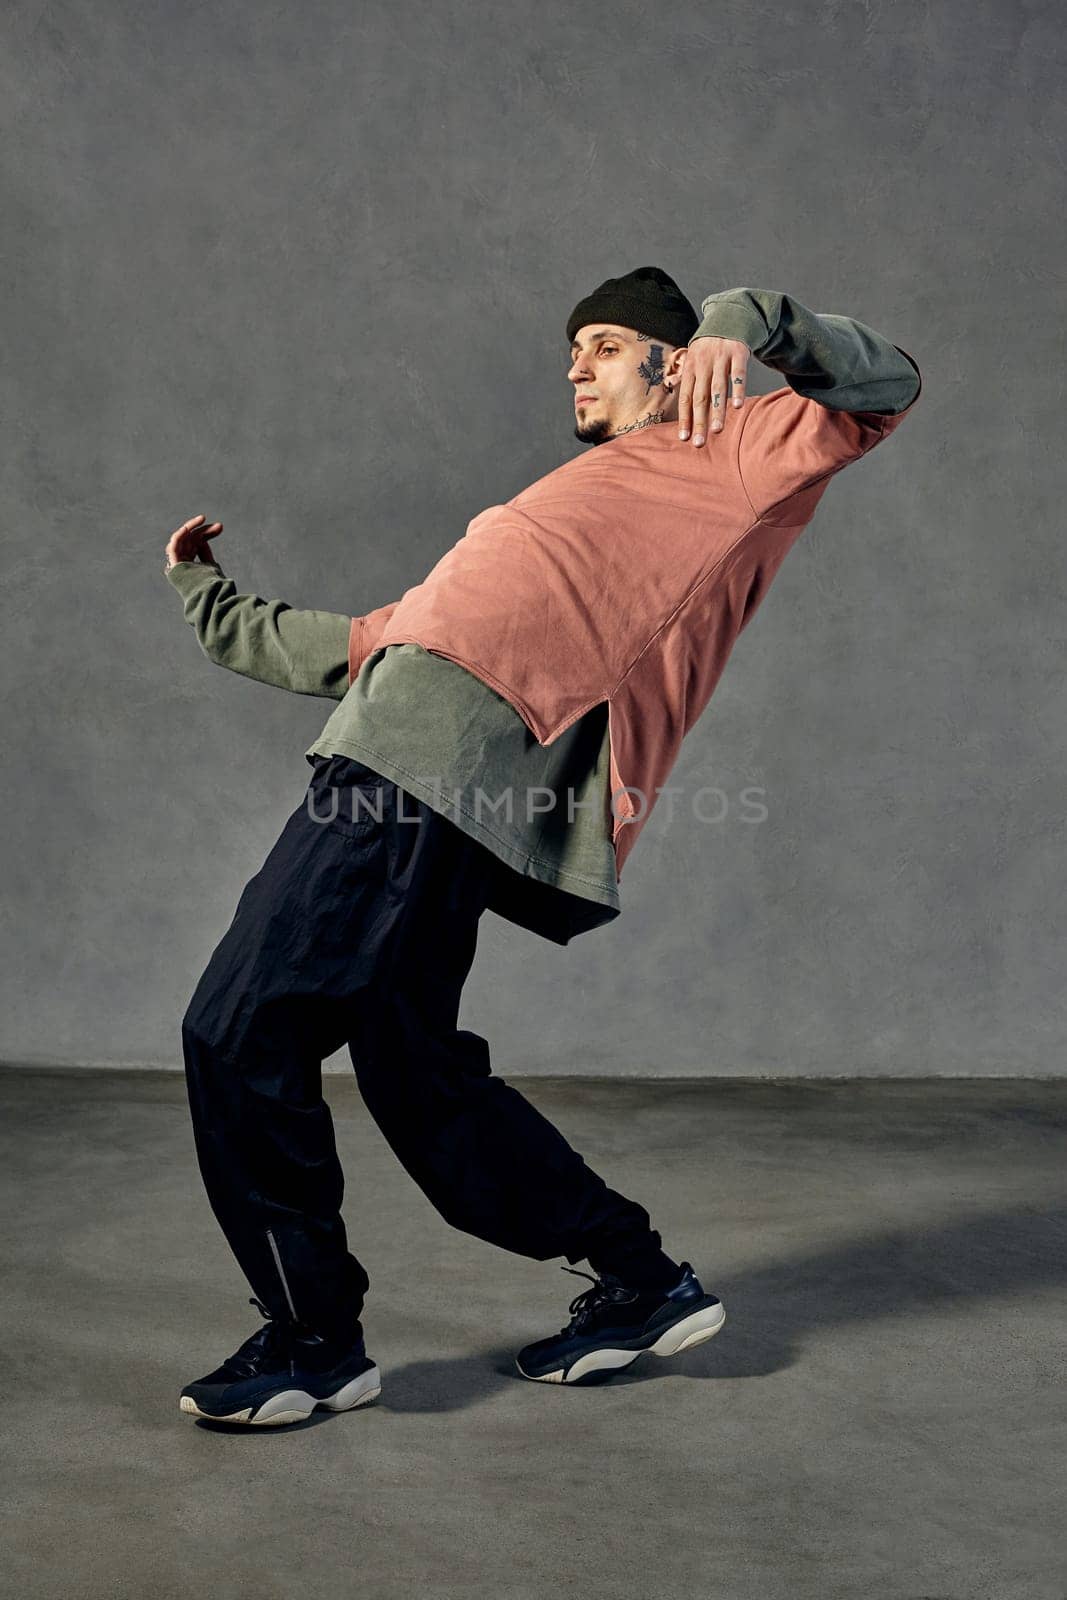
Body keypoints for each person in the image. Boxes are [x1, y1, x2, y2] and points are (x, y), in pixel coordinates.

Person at [167, 267, 921, 1424]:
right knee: (413, 1075)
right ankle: (639, 1278)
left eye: (605, 343)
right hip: (415, 759)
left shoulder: (733, 446)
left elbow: (886, 386)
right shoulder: (560, 500)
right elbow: (370, 643)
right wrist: (204, 597)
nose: (574, 361)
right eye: (572, 347)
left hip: (422, 774)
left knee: (237, 1028)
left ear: (672, 360)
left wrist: (745, 319)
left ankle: (315, 1341)